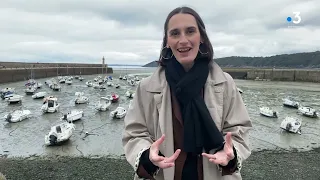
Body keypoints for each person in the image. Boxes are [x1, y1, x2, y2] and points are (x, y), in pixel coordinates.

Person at [122, 6, 252, 180]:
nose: (183, 40)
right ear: (167, 41)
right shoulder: (146, 87)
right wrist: (147, 155)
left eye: (190, 31)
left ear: (202, 38)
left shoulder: (225, 83)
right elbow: (134, 133)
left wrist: (230, 153)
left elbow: (239, 129)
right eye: (175, 33)